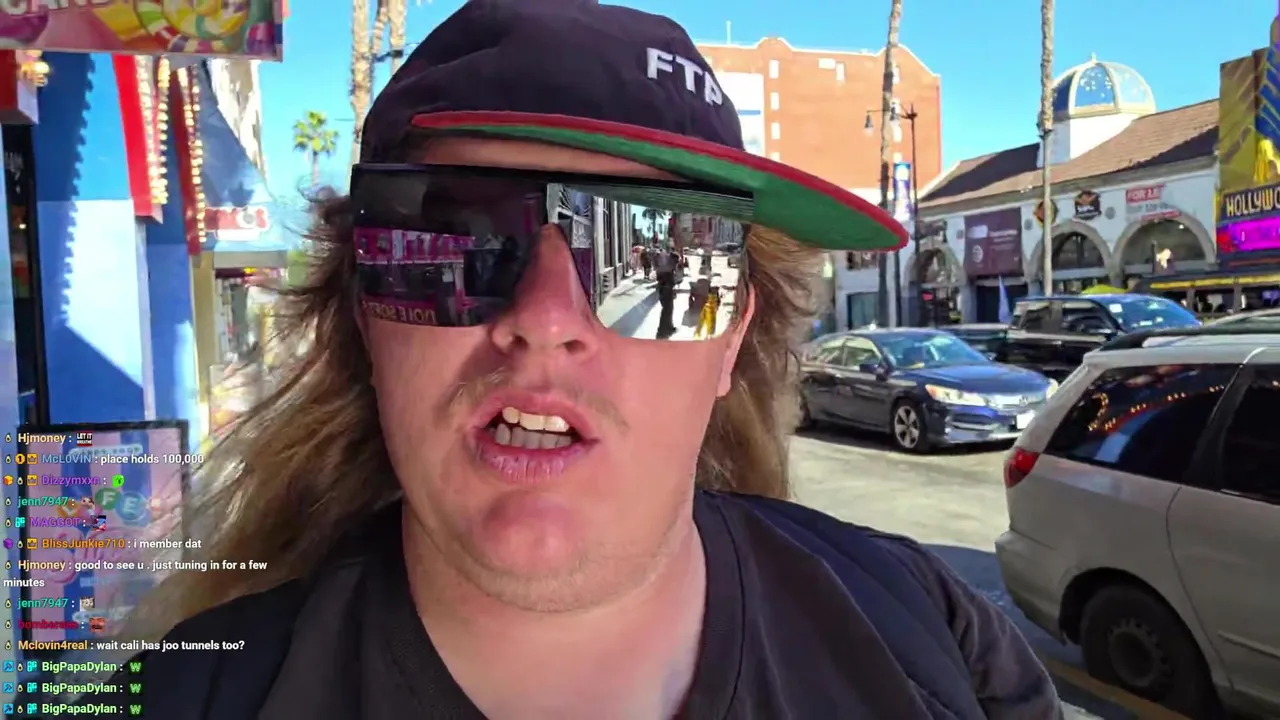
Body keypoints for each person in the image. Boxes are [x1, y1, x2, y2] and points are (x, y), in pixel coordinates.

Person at [95, 2, 1062, 718]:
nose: (546, 319)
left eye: (657, 253)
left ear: (732, 337)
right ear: (362, 317)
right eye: (462, 235)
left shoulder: (929, 634)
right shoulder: (186, 698)